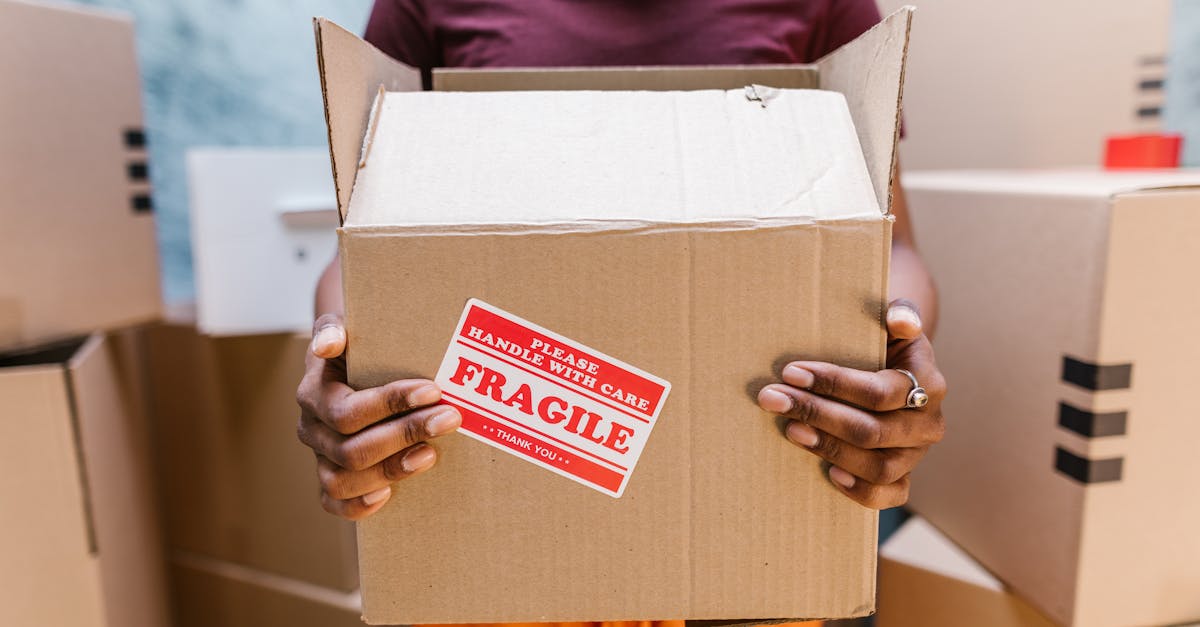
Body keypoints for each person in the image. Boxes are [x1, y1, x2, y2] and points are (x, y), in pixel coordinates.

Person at [297, 0, 945, 524]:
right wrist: (344, 369)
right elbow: (358, 253)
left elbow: (893, 247)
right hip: (494, 508)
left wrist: (896, 366)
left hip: (762, 495)